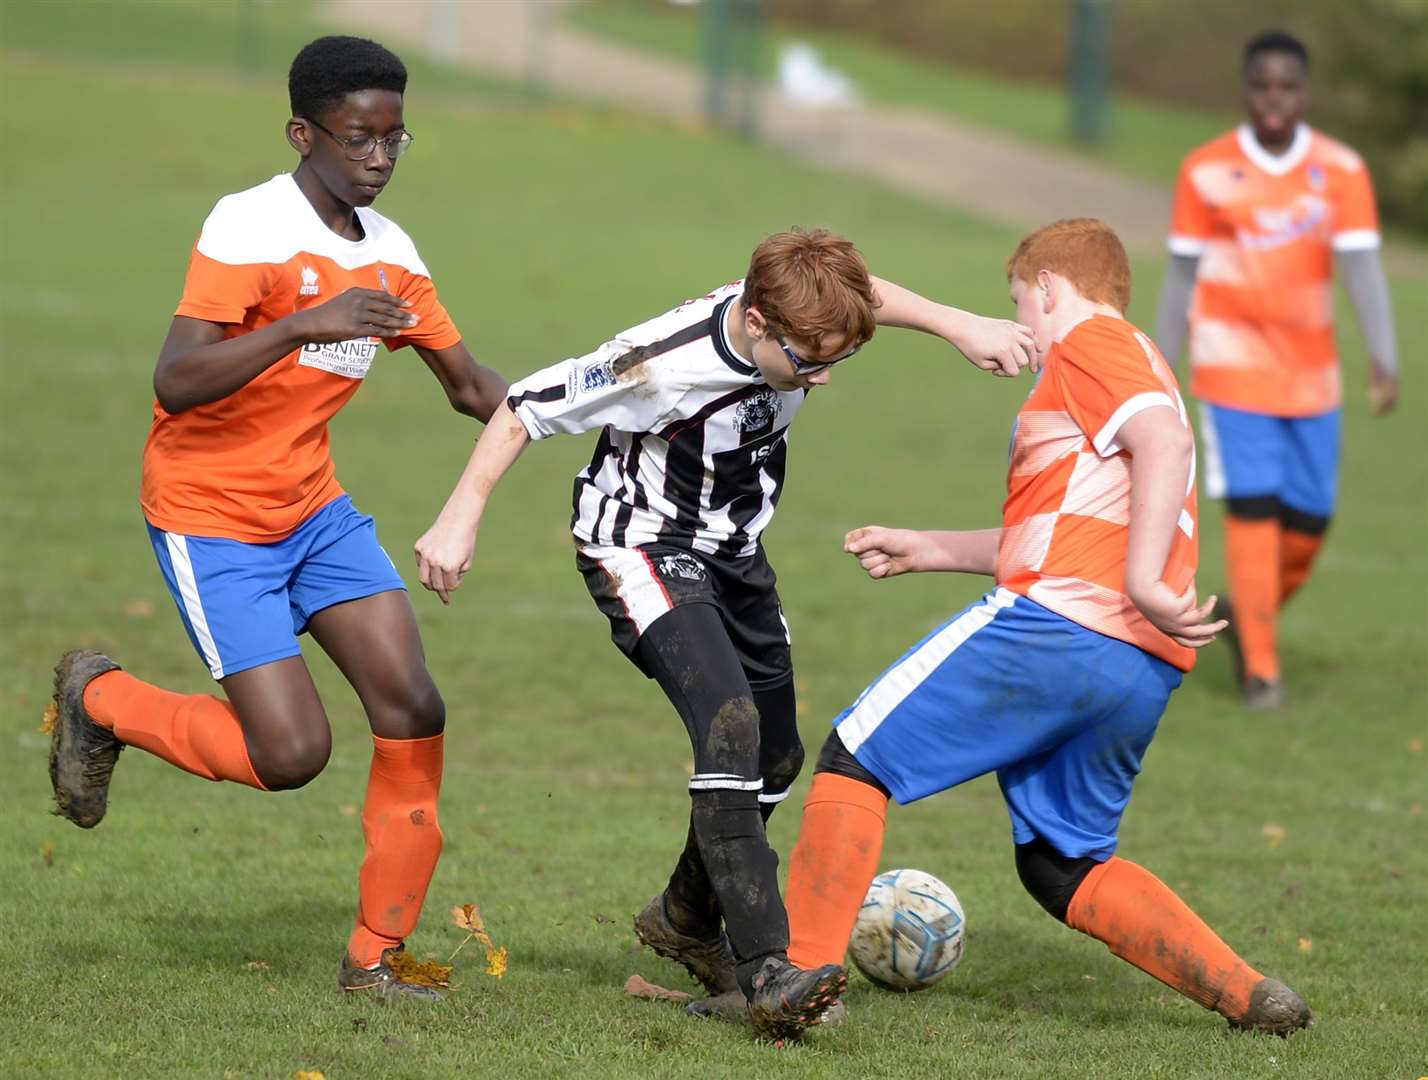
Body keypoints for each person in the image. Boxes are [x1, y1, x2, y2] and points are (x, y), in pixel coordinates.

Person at [411, 227, 1036, 1040]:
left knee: (775, 752)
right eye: (806, 362)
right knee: (728, 722)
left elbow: (864, 294)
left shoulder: (811, 317)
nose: (818, 376)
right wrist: (458, 519)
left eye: (834, 362)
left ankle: (684, 916)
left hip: (734, 553)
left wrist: (962, 325)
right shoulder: (661, 362)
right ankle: (766, 968)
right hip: (640, 546)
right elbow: (527, 406)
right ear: (752, 321)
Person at [45, 36, 507, 1001]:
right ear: (305, 133)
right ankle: (103, 701)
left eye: (395, 139)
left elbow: (470, 387)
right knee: (291, 756)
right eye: (357, 139)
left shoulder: (392, 257)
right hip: (209, 517)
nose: (378, 158)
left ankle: (373, 960)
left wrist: (595, 405)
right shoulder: (250, 224)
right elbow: (175, 379)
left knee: (414, 706)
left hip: (315, 515)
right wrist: (300, 323)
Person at [777, 219, 1312, 1036]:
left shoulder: (1092, 344)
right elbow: (1065, 532)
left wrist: (1140, 579)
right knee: (1061, 865)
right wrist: (932, 548)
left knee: (857, 757)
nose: (1020, 321)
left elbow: (1163, 443)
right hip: (1140, 662)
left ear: (1051, 289)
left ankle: (798, 986)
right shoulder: (1134, 368)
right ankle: (1250, 997)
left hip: (1065, 628)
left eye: (1019, 301)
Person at [1153, 30, 1400, 709]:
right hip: (1231, 373)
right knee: (1255, 509)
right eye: (1261, 86)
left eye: (1286, 87)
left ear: (1305, 93)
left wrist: (1385, 353)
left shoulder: (1341, 170)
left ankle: (1249, 612)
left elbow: (1363, 269)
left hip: (1314, 377)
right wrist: (1158, 361)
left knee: (1309, 526)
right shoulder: (1205, 170)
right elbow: (1180, 277)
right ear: (1245, 90)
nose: (1273, 100)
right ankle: (1262, 667)